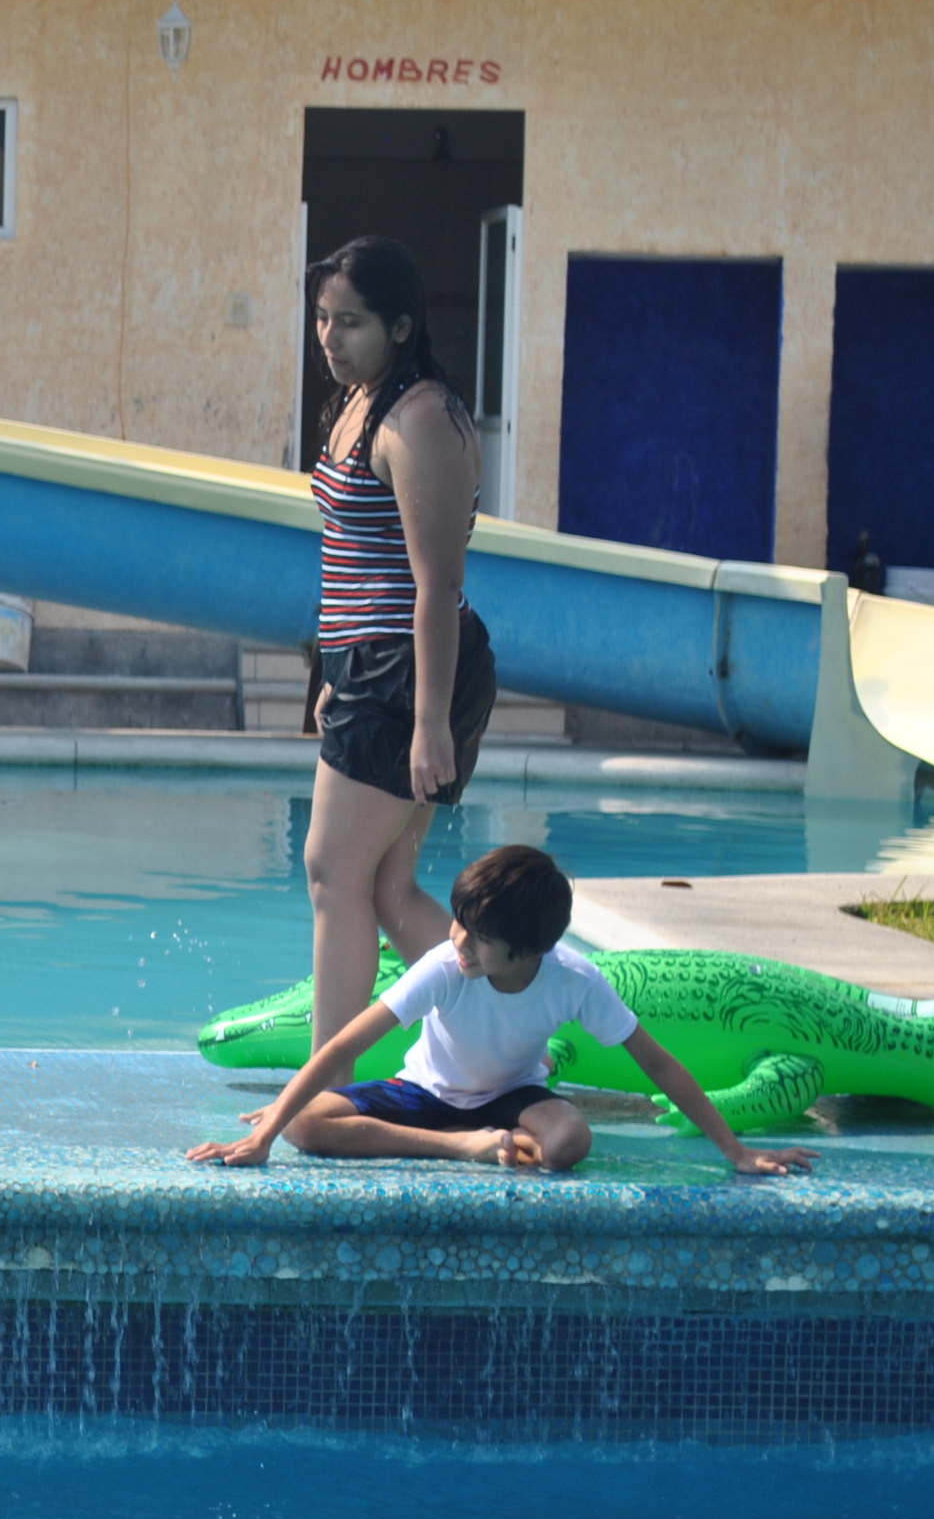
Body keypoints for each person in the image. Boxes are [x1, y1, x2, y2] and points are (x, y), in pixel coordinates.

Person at [188, 845, 815, 1176]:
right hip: (425, 1094)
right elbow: (341, 1047)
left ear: (531, 951)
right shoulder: (444, 966)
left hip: (511, 1097)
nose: (459, 940)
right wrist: (266, 1133)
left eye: (480, 937)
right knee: (305, 1127)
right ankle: (463, 1148)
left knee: (570, 1142)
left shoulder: (573, 980)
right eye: (460, 922)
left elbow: (660, 1065)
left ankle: (489, 1142)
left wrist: (736, 1152)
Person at [301, 235, 499, 1059]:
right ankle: (505, 1034)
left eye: (351, 322)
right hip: (371, 663)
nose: (330, 337)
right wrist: (331, 668)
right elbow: (350, 555)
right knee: (383, 886)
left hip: (410, 668)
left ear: (403, 326)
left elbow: (436, 583)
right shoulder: (356, 402)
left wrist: (428, 721)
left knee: (332, 872)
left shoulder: (420, 419)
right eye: (322, 318)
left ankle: (325, 1086)